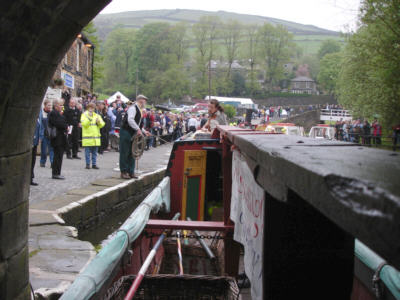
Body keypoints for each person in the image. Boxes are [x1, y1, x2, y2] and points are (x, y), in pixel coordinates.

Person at [119, 95, 150, 179]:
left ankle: (130, 171)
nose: (145, 102)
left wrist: (143, 131)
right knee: (125, 152)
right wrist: (138, 129)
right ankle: (124, 171)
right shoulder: (133, 108)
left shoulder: (139, 110)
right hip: (126, 131)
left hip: (132, 132)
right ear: (140, 100)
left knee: (132, 152)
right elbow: (130, 120)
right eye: (145, 100)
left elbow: (138, 124)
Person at [80, 102, 105, 169]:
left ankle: (94, 164)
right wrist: (89, 118)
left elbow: (102, 124)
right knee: (87, 153)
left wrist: (98, 122)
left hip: (95, 138)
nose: (91, 109)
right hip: (87, 138)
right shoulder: (84, 115)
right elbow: (84, 124)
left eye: (93, 108)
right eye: (90, 107)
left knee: (95, 153)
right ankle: (88, 164)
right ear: (88, 108)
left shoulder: (97, 115)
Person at [48, 99, 68, 179]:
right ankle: (55, 173)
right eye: (60, 105)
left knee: (59, 156)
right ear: (56, 106)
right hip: (57, 138)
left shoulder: (58, 114)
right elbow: (60, 124)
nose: (62, 107)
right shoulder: (54, 113)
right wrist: (65, 125)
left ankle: (57, 172)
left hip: (61, 138)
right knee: (57, 156)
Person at [39, 99, 54, 167]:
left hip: (51, 134)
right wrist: (40, 135)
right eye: (48, 105)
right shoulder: (42, 113)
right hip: (44, 135)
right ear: (45, 105)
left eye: (50, 105)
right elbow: (40, 125)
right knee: (44, 151)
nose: (50, 106)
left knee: (51, 149)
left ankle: (52, 162)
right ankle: (42, 162)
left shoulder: (52, 113)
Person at [31, 115, 40, 186]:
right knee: (31, 161)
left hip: (35, 142)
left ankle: (31, 178)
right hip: (32, 142)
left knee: (33, 161)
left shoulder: (38, 120)